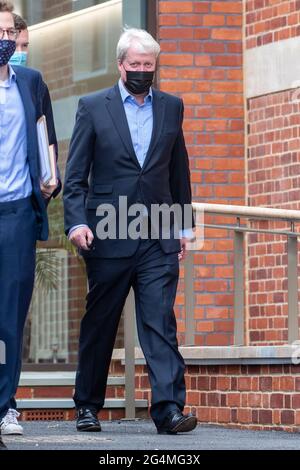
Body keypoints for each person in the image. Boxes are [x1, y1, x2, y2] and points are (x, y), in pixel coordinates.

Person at [63, 28, 196, 435]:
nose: (142, 71)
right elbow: (75, 176)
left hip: (157, 235)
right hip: (107, 232)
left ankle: (169, 410)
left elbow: (179, 171)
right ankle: (87, 405)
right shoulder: (92, 106)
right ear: (121, 65)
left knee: (159, 321)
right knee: (101, 322)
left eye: (148, 65)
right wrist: (77, 222)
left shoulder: (172, 107)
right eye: (135, 65)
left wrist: (184, 226)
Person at [0, 1, 60, 436]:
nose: (5, 41)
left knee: (9, 314)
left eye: (8, 33)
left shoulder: (30, 81)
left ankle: (5, 405)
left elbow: (45, 132)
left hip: (17, 211)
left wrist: (50, 174)